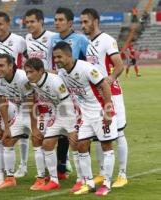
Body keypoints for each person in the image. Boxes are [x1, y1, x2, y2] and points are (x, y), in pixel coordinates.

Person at [53, 41, 117, 196]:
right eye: (54, 57)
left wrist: (108, 110)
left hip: (101, 112)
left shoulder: (85, 68)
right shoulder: (62, 73)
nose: (56, 60)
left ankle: (107, 184)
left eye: (59, 57)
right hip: (85, 115)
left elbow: (105, 86)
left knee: (106, 146)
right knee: (81, 145)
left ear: (69, 55)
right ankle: (89, 182)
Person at [80, 8, 128, 188]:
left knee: (119, 133)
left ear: (96, 21)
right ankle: (102, 173)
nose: (83, 25)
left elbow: (119, 65)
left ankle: (122, 174)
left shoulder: (107, 40)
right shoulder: (88, 43)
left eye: (86, 22)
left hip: (112, 94)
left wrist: (110, 79)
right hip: (96, 97)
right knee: (101, 136)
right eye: (82, 22)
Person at [24, 58, 78, 191]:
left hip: (70, 112)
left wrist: (70, 127)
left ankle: (81, 180)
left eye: (31, 72)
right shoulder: (32, 83)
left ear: (41, 71)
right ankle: (54, 180)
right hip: (56, 114)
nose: (28, 75)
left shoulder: (54, 81)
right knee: (47, 144)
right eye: (27, 72)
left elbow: (68, 102)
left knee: (76, 145)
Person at [51, 7, 89, 179]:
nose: (57, 23)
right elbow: (49, 63)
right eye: (55, 20)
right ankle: (61, 168)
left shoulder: (80, 39)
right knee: (62, 132)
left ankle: (85, 172)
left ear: (70, 22)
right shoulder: (52, 39)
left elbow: (89, 63)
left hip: (79, 93)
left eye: (60, 20)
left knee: (81, 132)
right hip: (59, 92)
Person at [0, 12, 29, 178]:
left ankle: (24, 165)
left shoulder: (19, 40)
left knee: (24, 130)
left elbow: (29, 58)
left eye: (0, 24)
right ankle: (3, 167)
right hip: (5, 91)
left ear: (8, 24)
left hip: (20, 88)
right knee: (9, 129)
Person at [0, 54, 37, 188]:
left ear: (11, 66)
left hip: (37, 112)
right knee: (6, 140)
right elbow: (3, 103)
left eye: (1, 65)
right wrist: (6, 127)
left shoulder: (23, 78)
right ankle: (10, 179)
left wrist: (34, 128)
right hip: (20, 113)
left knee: (39, 141)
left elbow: (32, 102)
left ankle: (44, 177)